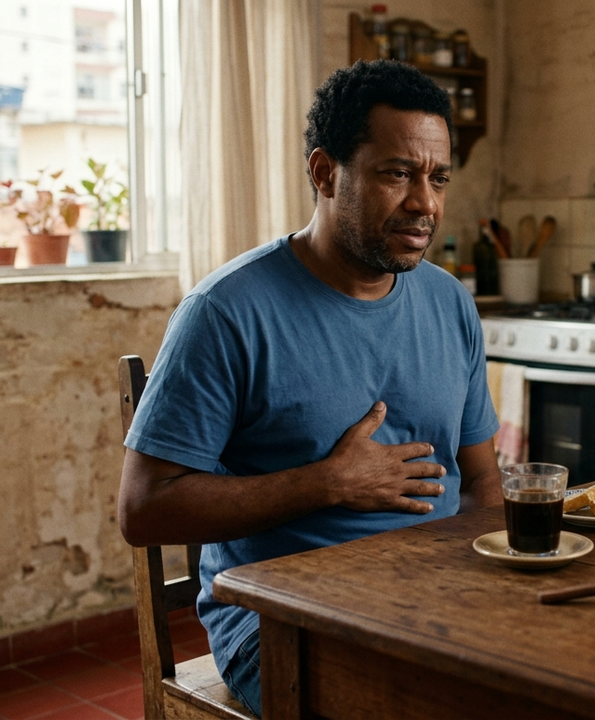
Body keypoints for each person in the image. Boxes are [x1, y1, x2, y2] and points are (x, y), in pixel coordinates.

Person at [117, 59, 502, 717]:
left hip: (433, 607)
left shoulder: (449, 303)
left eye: (437, 178)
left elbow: (482, 481)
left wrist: (493, 594)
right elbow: (143, 511)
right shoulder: (226, 311)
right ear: (325, 173)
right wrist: (328, 484)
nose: (426, 203)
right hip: (281, 624)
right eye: (397, 174)